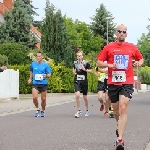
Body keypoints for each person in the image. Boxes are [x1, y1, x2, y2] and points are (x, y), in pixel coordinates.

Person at [96, 24, 144, 149]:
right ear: (116, 33)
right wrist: (110, 66)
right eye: (119, 31)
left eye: (124, 31)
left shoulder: (132, 47)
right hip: (113, 82)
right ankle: (119, 125)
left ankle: (120, 139)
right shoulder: (109, 47)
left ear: (126, 34)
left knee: (123, 108)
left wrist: (139, 62)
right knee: (116, 110)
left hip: (127, 81)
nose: (122, 33)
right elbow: (99, 62)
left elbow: (141, 58)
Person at [28, 52, 52, 117]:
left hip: (43, 84)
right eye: (37, 56)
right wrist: (30, 78)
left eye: (39, 56)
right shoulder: (33, 64)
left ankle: (43, 110)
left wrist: (46, 75)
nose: (38, 57)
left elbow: (50, 74)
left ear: (42, 57)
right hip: (35, 83)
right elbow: (31, 71)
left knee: (43, 99)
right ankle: (38, 108)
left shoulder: (45, 65)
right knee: (34, 97)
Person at [73, 50, 92, 118]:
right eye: (78, 56)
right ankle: (79, 110)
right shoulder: (75, 63)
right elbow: (74, 70)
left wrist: (85, 70)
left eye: (80, 55)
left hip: (84, 81)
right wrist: (74, 73)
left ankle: (87, 110)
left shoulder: (86, 63)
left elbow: (91, 71)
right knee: (77, 95)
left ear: (82, 56)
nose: (79, 57)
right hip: (77, 81)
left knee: (85, 97)